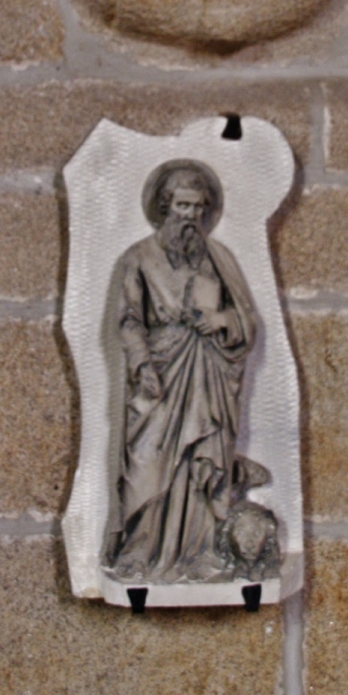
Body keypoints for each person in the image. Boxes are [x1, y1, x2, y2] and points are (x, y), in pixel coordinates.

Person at [105, 159, 257, 583]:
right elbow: (129, 319)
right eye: (182, 205)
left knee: (199, 461)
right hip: (159, 373)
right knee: (146, 463)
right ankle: (139, 551)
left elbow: (245, 317)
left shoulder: (218, 258)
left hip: (206, 374)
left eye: (197, 207)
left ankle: (201, 551)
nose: (190, 216)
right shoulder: (138, 258)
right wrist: (140, 362)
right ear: (165, 205)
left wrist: (223, 321)